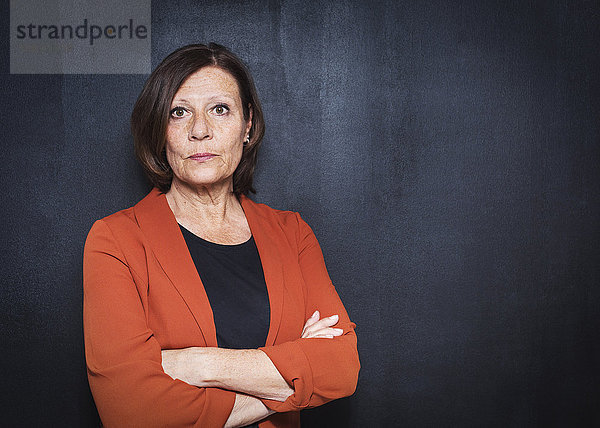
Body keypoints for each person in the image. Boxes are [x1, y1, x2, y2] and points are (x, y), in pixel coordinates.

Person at [83, 43, 359, 428]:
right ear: (159, 129)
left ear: (247, 126)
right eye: (179, 112)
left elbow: (342, 368)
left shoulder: (292, 233)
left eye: (220, 109)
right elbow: (132, 411)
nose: (200, 130)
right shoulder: (115, 241)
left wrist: (198, 364)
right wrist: (296, 373)